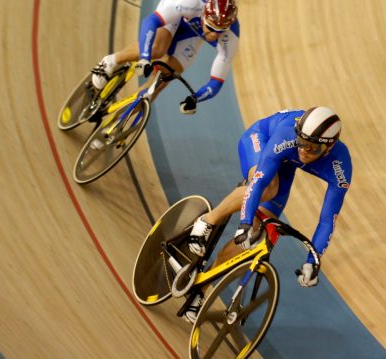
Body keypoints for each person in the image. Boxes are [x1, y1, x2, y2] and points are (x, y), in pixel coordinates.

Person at [183, 106, 353, 322]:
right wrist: (244, 221)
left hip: (285, 166)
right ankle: (207, 221)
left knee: (261, 233)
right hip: (261, 139)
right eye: (301, 142)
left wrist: (313, 261)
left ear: (329, 148)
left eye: (311, 148)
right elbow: (260, 180)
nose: (303, 150)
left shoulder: (340, 167)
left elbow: (327, 220)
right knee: (268, 189)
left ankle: (202, 287)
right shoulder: (287, 135)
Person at [91, 0, 239, 114]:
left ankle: (113, 124)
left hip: (192, 37)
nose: (214, 35)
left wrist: (195, 99)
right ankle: (111, 61)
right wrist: (144, 58)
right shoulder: (190, 3)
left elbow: (217, 82)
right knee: (157, 49)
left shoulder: (231, 37)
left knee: (158, 84)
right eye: (211, 27)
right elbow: (150, 21)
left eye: (220, 31)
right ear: (205, 15)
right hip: (176, 14)